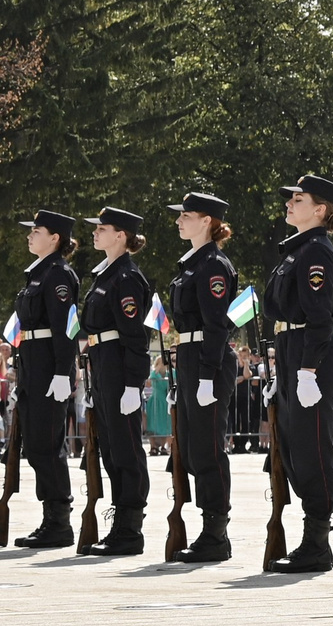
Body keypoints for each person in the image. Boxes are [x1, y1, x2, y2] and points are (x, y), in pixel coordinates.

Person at [266, 174, 333, 571]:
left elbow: (320, 318)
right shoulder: (297, 250)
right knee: (294, 449)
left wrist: (308, 370)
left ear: (319, 209)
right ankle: (310, 538)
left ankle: (317, 543)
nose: (289, 204)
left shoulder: (315, 252)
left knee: (312, 449)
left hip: (310, 356)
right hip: (291, 352)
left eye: (298, 199)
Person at [74, 207, 157, 555]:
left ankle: (130, 527)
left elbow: (135, 336)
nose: (95, 233)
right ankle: (120, 521)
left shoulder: (126, 278)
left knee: (125, 448)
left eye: (102, 228)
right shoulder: (105, 274)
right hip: (103, 366)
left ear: (121, 235)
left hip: (120, 369)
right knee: (110, 447)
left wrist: (133, 383)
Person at [166, 192, 241, 562]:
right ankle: (209, 528)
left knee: (208, 448)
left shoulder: (213, 265)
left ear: (208, 221)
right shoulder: (192, 264)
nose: (179, 221)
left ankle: (216, 533)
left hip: (207, 360)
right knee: (193, 449)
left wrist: (208, 375)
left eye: (187, 215)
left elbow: (216, 325)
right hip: (191, 359)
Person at [10, 209, 81, 549]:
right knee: (37, 445)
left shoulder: (58, 275)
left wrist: (62, 371)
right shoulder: (38, 274)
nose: (30, 235)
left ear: (54, 238)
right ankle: (50, 517)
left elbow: (65, 328)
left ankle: (59, 522)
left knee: (49, 446)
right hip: (33, 366)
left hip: (48, 368)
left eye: (36, 231)